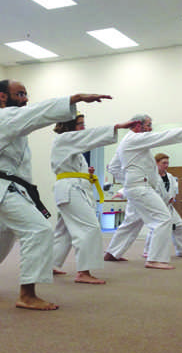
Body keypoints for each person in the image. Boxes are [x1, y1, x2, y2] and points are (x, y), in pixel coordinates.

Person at [0, 79, 111, 310]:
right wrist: (74, 98)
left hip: (10, 189)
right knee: (38, 230)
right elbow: (36, 114)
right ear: (3, 97)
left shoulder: (13, 127)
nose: (26, 98)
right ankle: (27, 294)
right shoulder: (1, 118)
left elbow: (29, 117)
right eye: (20, 94)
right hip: (5, 189)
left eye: (26, 93)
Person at [103, 115, 182, 270]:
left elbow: (114, 167)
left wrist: (129, 180)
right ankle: (154, 259)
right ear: (137, 126)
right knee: (163, 219)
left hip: (136, 187)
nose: (151, 129)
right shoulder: (135, 139)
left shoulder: (126, 143)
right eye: (148, 125)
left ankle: (112, 253)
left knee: (131, 223)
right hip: (140, 188)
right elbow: (162, 137)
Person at [51, 113, 137, 284]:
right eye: (80, 124)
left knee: (65, 230)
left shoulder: (71, 145)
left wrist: (85, 174)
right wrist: (118, 126)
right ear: (68, 126)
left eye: (84, 124)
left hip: (72, 188)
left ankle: (51, 264)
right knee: (90, 228)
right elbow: (90, 137)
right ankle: (83, 272)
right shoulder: (65, 139)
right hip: (70, 189)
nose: (83, 127)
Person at [143, 153, 182, 258]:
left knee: (179, 226)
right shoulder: (150, 176)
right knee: (156, 228)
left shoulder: (170, 176)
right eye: (163, 163)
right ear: (156, 163)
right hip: (156, 206)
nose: (166, 165)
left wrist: (172, 197)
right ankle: (147, 251)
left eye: (167, 163)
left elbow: (174, 189)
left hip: (168, 205)